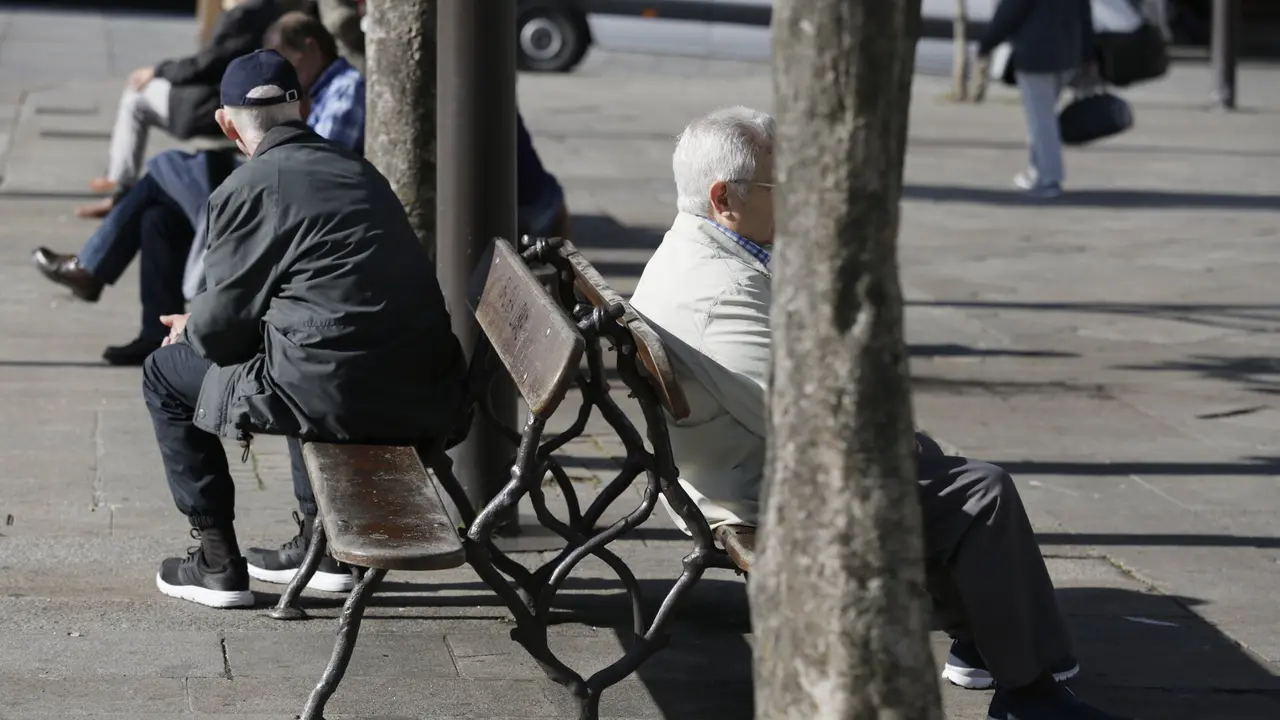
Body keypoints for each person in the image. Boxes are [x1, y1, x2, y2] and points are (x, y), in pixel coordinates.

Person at [628, 107, 1129, 720]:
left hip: (733, 459)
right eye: (785, 185)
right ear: (724, 198)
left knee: (938, 470)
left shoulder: (693, 246)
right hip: (759, 491)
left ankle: (984, 645)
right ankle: (1028, 693)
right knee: (982, 493)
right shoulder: (720, 291)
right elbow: (814, 426)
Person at [141, 49, 467, 608]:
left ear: (225, 123)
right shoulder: (360, 171)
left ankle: (218, 563)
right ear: (306, 107)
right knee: (304, 344)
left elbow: (223, 336)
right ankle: (324, 548)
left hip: (342, 393)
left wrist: (189, 331)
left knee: (164, 375)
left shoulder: (245, 188)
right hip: (428, 391)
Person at [32, 12, 366, 367]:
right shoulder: (314, 88)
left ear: (311, 47)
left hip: (278, 195)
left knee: (165, 167)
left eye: (287, 58)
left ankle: (94, 268)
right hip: (267, 180)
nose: (285, 71)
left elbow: (313, 166)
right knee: (158, 216)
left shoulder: (346, 88)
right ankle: (153, 334)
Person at [83, 0, 291, 211]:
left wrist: (158, 70)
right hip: (243, 100)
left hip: (213, 104)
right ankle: (119, 182)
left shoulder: (245, 16)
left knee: (136, 96)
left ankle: (120, 183)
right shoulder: (270, 10)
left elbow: (203, 65)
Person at [977, 0, 1096, 199]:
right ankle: (1036, 172)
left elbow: (1009, 13)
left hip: (1036, 56)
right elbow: (1085, 15)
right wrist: (1087, 54)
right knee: (1042, 118)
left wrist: (987, 43)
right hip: (1067, 55)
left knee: (1041, 122)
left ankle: (1050, 179)